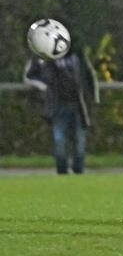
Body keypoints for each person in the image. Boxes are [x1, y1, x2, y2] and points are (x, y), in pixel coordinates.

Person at [23, 43, 100, 174]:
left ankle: (78, 170)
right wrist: (45, 88)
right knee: (59, 139)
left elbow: (89, 75)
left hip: (78, 105)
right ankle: (62, 170)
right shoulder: (45, 55)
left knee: (80, 140)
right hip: (58, 106)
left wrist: (94, 98)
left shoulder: (78, 55)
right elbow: (29, 76)